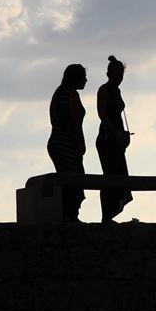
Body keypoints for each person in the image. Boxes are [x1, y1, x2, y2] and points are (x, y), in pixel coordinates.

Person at [47, 64, 88, 222]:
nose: (85, 80)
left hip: (56, 140)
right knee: (75, 178)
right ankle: (71, 215)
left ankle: (67, 214)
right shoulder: (71, 94)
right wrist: (80, 142)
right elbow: (75, 121)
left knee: (66, 177)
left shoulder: (58, 93)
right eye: (83, 77)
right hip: (67, 141)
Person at [96, 55, 133, 223]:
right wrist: (116, 132)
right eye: (117, 75)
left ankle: (109, 213)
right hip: (107, 137)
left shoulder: (117, 91)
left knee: (119, 173)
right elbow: (102, 115)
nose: (119, 79)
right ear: (109, 74)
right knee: (110, 174)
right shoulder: (104, 89)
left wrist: (123, 134)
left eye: (122, 76)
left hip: (116, 137)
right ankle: (106, 215)